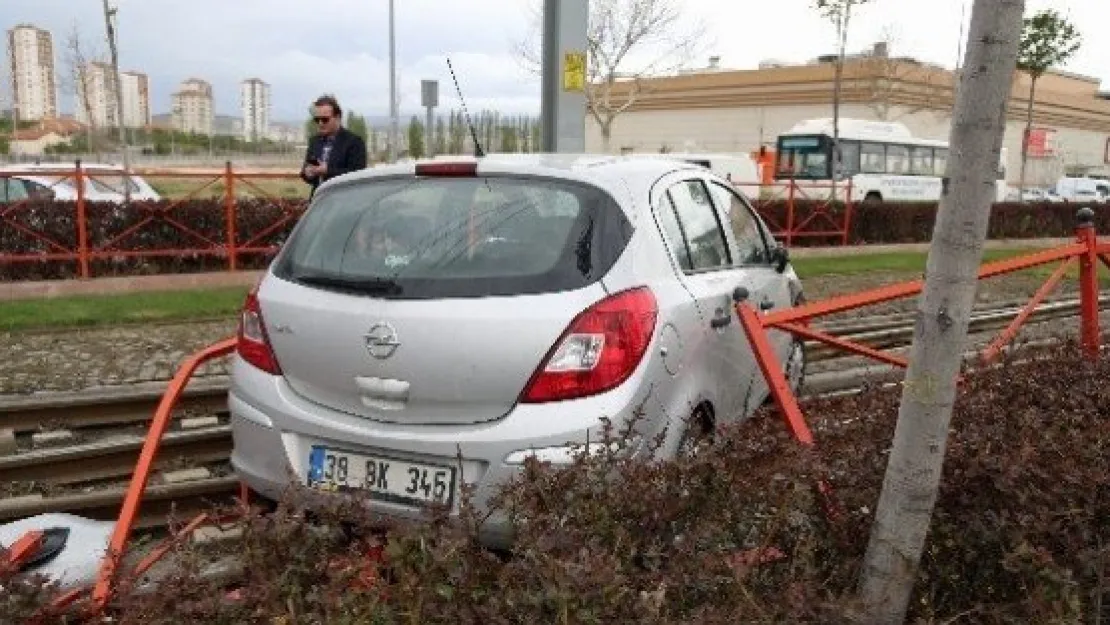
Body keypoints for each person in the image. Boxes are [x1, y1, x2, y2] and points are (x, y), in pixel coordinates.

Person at [301, 94, 368, 195]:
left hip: (344, 201)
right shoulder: (314, 141)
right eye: (316, 119)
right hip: (319, 201)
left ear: (337, 117)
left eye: (325, 119)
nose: (320, 123)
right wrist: (308, 173)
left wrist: (327, 171)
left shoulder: (354, 142)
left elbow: (357, 175)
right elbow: (306, 173)